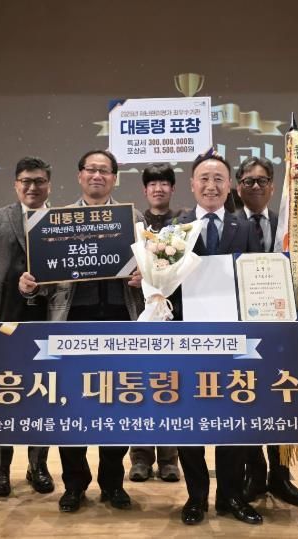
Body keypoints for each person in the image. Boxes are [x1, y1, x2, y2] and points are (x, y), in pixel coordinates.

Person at [19, 149, 144, 513]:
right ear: (79, 176)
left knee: (118, 408)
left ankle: (112, 482)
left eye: (105, 170)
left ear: (114, 178)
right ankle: (74, 484)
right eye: (91, 169)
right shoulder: (56, 221)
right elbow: (44, 282)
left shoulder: (133, 219)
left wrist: (146, 276)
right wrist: (30, 287)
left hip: (121, 324)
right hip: (70, 326)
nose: (97, 175)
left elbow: (155, 274)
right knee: (70, 407)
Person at [173, 152, 263, 526]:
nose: (211, 186)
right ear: (192, 184)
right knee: (188, 422)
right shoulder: (176, 228)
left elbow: (257, 278)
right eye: (204, 178)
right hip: (186, 341)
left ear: (230, 187)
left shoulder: (246, 227)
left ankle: (231, 496)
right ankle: (196, 497)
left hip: (233, 341)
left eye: (218, 179)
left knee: (232, 420)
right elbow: (164, 283)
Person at [235, 156, 298, 507]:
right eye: (248, 181)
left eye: (262, 180)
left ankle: (280, 474)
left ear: (273, 187)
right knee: (247, 399)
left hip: (281, 333)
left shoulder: (288, 228)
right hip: (241, 331)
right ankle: (255, 471)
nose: (256, 186)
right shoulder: (229, 225)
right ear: (238, 187)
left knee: (280, 398)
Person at [0, 157, 54, 497]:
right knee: (3, 394)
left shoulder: (60, 221)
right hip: (4, 318)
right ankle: (0, 468)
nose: (32, 187)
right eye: (25, 180)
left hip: (49, 320)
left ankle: (37, 465)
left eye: (39, 181)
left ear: (49, 185)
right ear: (15, 184)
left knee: (46, 393)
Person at [128, 162, 181, 483]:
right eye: (152, 184)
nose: (158, 188)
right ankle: (140, 457)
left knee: (171, 386)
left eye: (164, 183)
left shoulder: (184, 223)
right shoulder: (133, 223)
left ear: (172, 188)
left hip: (174, 318)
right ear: (145, 190)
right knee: (140, 387)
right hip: (139, 315)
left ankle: (169, 459)